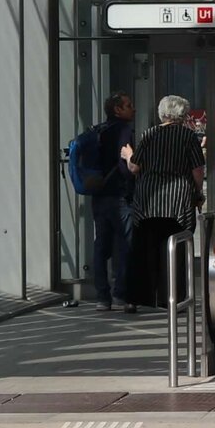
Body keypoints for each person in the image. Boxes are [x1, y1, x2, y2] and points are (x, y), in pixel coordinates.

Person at [128, 95, 205, 313]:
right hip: (177, 201)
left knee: (145, 248)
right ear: (183, 114)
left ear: (162, 113)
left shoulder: (149, 134)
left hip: (148, 201)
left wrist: (127, 155)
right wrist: (198, 191)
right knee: (176, 249)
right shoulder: (188, 136)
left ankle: (140, 297)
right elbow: (197, 170)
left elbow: (134, 168)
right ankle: (171, 298)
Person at [79, 94, 137, 309]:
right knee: (125, 245)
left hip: (99, 195)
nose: (134, 109)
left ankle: (102, 296)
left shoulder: (98, 131)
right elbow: (124, 165)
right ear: (117, 110)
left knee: (101, 244)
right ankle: (121, 293)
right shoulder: (123, 131)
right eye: (129, 105)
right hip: (119, 195)